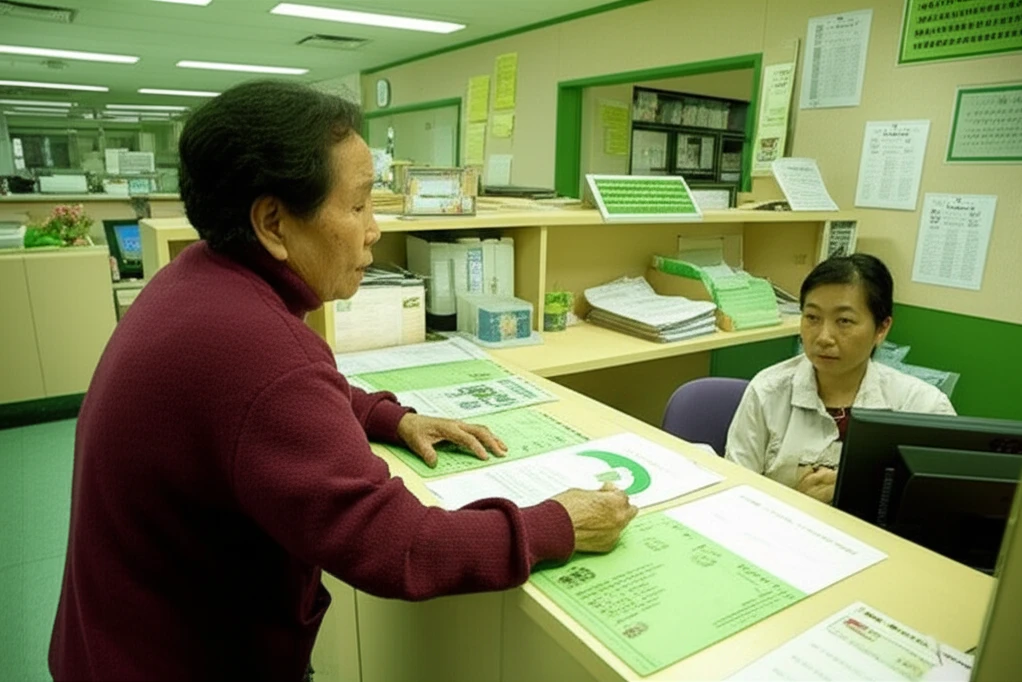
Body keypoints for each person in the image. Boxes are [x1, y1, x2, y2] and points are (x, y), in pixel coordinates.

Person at [49, 81, 637, 682]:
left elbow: (273, 399)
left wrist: (391, 417)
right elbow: (395, 544)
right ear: (273, 222)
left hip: (113, 642)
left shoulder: (199, 282)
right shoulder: (259, 348)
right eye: (357, 207)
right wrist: (556, 524)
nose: (374, 229)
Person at [724, 254, 954, 503]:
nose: (824, 337)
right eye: (812, 317)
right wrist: (796, 503)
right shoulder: (767, 391)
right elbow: (734, 492)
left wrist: (856, 494)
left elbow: (945, 505)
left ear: (881, 328)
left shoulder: (923, 407)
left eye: (844, 321)